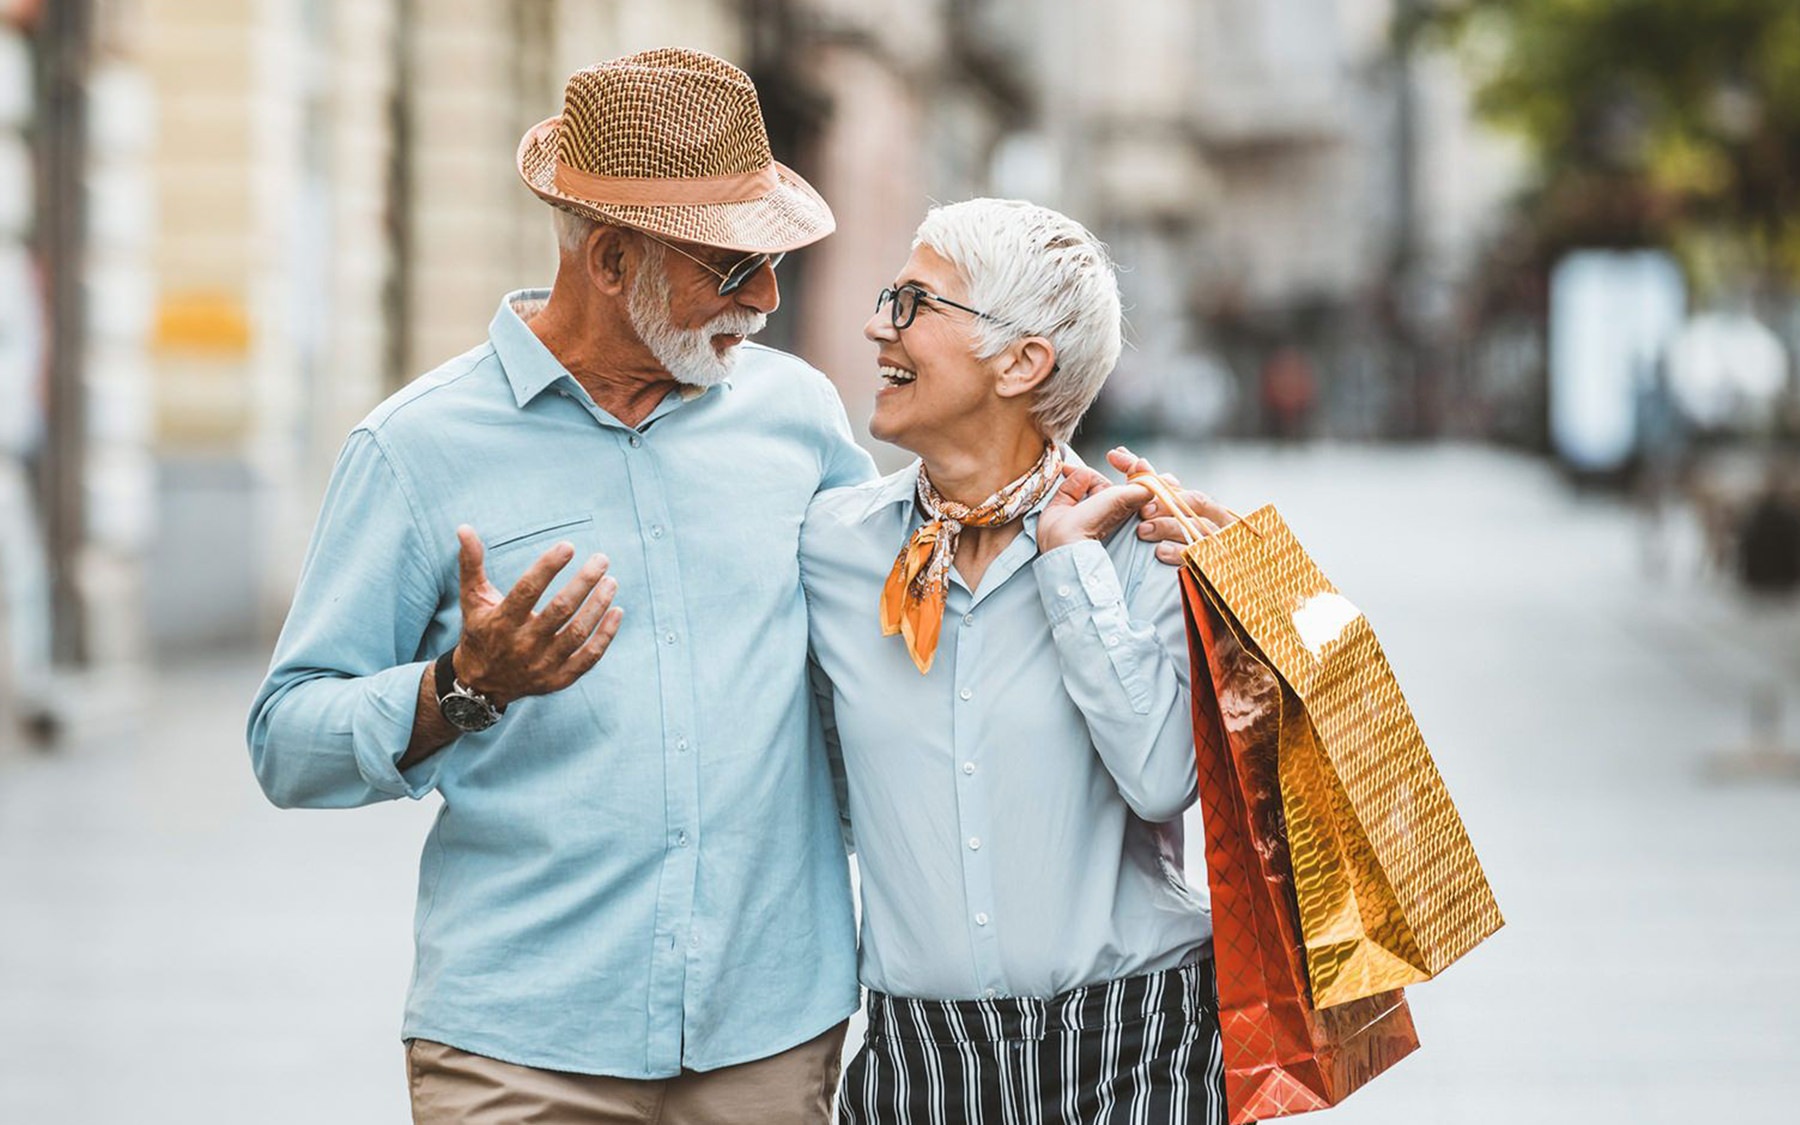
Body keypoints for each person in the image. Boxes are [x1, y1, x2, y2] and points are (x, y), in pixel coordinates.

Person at [247, 49, 873, 1123]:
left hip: (770, 1030)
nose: (768, 299)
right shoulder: (415, 449)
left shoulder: (800, 420)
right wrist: (459, 685)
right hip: (520, 1047)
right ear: (615, 258)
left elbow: (900, 632)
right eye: (731, 268)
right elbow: (284, 741)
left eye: (774, 265)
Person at [799, 199, 1226, 1124]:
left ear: (1022, 360)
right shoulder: (831, 550)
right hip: (918, 1059)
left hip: (1133, 1043)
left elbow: (1161, 779)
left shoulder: (1145, 544)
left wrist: (1071, 570)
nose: (880, 325)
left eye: (915, 303)